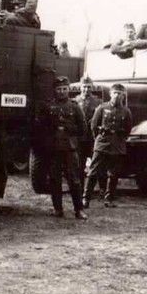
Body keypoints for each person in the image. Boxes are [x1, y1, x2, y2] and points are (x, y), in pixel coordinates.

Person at [35, 76, 89, 219]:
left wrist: (69, 131)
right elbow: (41, 127)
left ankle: (79, 210)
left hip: (70, 149)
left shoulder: (75, 107)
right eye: (59, 89)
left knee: (74, 180)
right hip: (53, 149)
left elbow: (83, 129)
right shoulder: (48, 107)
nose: (62, 92)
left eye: (64, 89)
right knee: (54, 180)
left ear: (68, 90)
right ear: (54, 90)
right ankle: (58, 209)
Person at [85, 83, 133, 208]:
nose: (117, 96)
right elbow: (94, 125)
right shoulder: (102, 108)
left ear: (123, 96)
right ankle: (86, 198)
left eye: (120, 94)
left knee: (113, 173)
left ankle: (109, 199)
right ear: (110, 94)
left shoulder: (126, 111)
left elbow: (128, 129)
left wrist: (119, 139)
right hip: (102, 143)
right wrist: (98, 139)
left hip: (117, 145)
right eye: (115, 93)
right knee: (93, 171)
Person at [74, 77, 103, 196]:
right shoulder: (75, 101)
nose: (86, 89)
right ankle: (80, 190)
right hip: (80, 139)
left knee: (98, 164)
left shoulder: (98, 102)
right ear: (80, 87)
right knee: (79, 165)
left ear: (92, 87)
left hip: (93, 138)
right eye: (84, 87)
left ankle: (102, 190)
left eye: (89, 87)